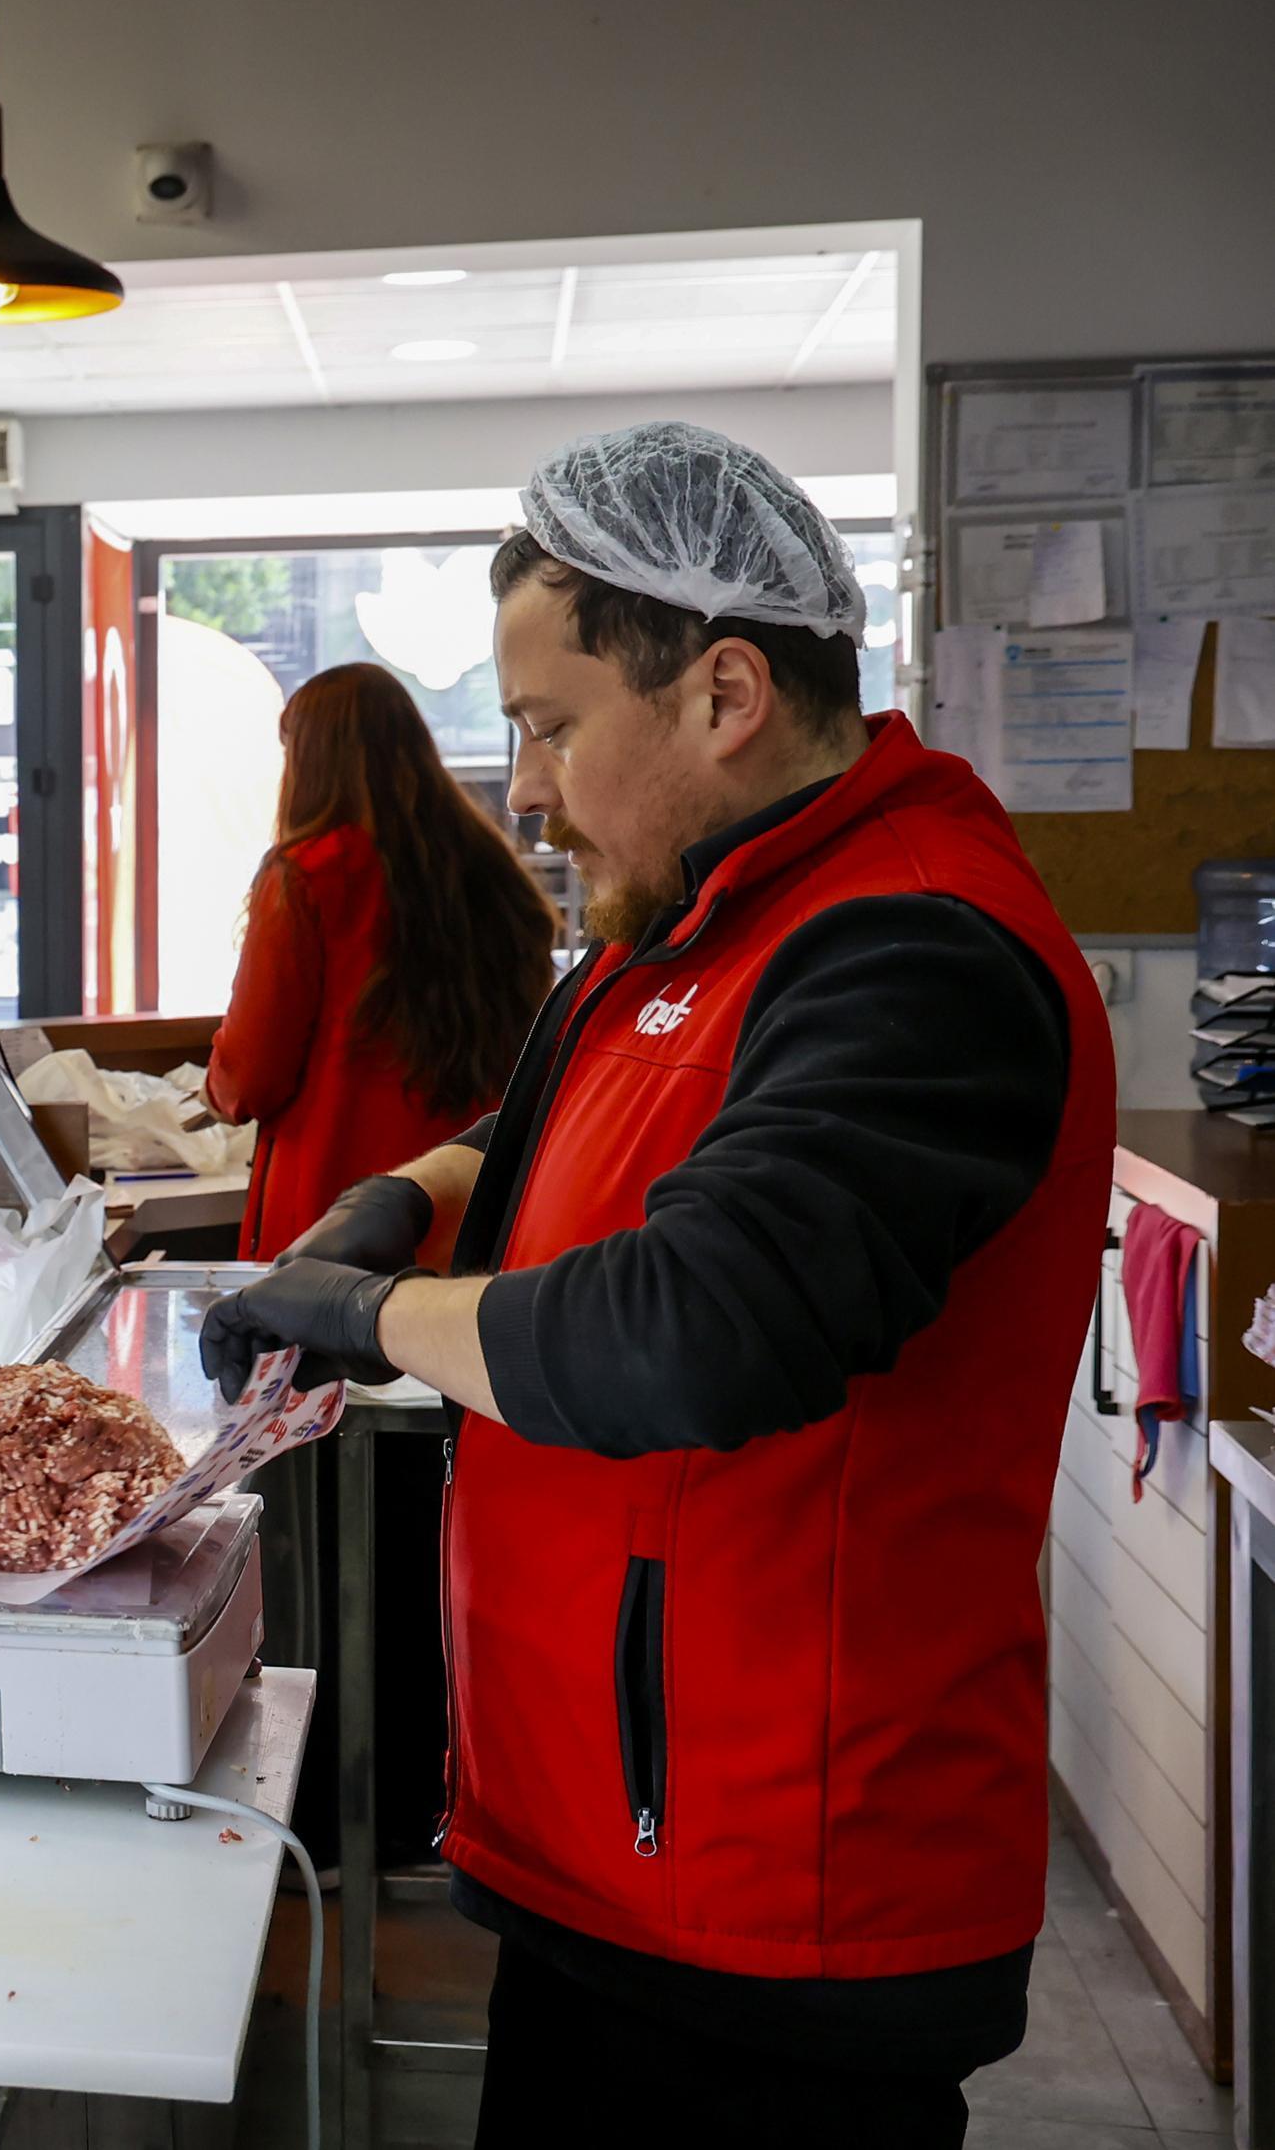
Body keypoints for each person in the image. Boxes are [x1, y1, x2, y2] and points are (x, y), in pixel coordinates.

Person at [204, 422, 1112, 2145]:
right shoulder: (702, 920)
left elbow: (691, 1328)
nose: (522, 788)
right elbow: (551, 1115)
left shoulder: (911, 947)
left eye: (548, 728)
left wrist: (356, 1323)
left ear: (719, 695)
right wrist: (409, 1191)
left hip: (777, 1898)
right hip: (620, 1859)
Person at [205, 661, 556, 1258]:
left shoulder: (306, 875)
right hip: (471, 1201)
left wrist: (213, 1088)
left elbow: (252, 1075)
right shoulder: (489, 868)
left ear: (309, 758)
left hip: (337, 1219)